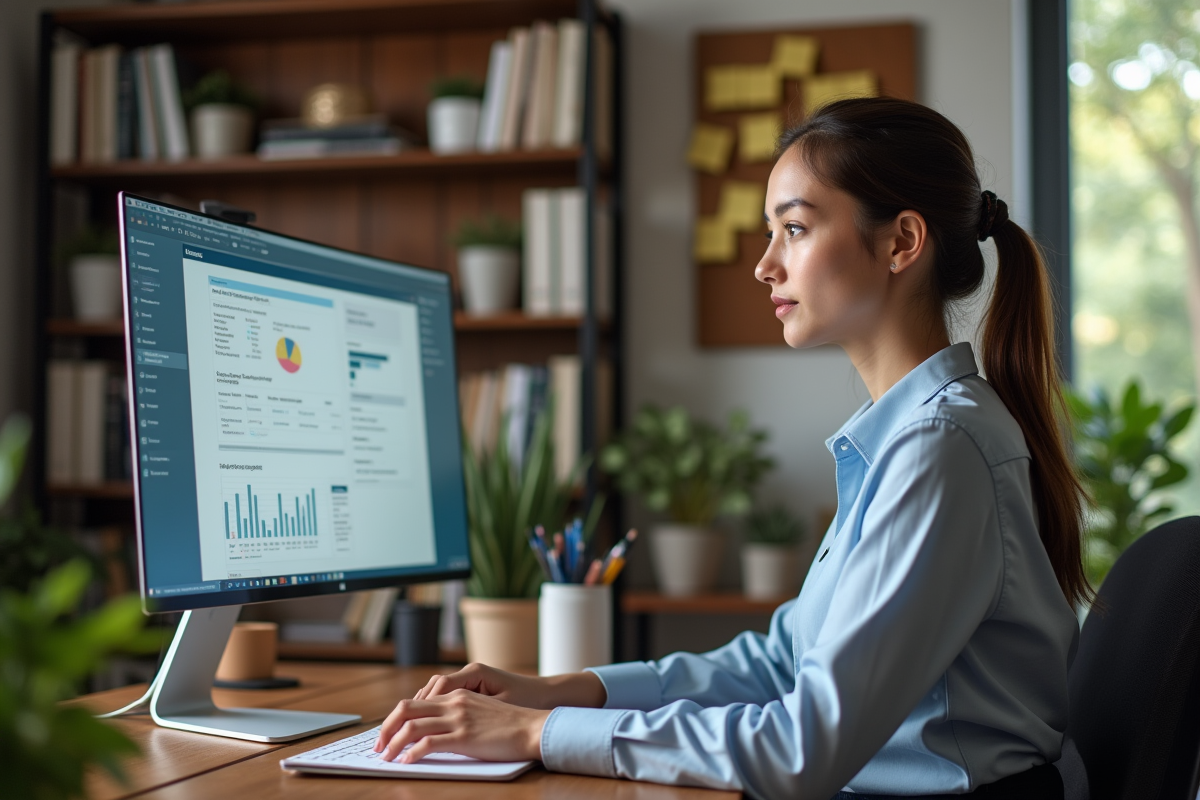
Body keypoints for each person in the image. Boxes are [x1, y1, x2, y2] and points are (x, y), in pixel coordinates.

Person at [373, 97, 1086, 800]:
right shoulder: (910, 434)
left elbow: (800, 751)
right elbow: (781, 661)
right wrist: (565, 690)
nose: (765, 266)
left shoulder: (940, 445)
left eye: (796, 229)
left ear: (902, 241)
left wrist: (538, 732)